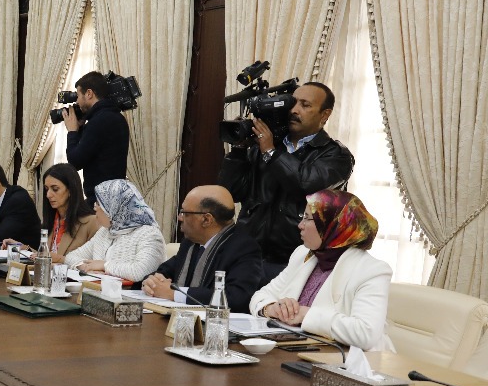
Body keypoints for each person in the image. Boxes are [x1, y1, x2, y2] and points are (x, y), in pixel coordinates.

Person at [220, 81, 355, 280]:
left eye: (305, 105)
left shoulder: (336, 156)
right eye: (293, 103)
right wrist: (239, 150)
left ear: (325, 115)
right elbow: (231, 193)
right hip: (249, 255)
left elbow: (305, 184)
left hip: (297, 260)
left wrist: (271, 152)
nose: (294, 110)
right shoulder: (265, 145)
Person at [249, 190, 393, 351]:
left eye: (307, 218)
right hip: (295, 351)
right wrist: (272, 308)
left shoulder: (372, 270)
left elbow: (365, 334)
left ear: (333, 225)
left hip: (346, 360)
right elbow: (260, 295)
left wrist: (306, 315)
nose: (300, 225)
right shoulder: (303, 254)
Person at [141, 185, 265, 314]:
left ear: (206, 219)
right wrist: (152, 282)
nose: (180, 217)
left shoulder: (243, 248)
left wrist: (174, 294)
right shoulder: (190, 242)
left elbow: (236, 297)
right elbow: (164, 271)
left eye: (184, 213)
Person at [62, 178, 165, 282]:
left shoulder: (150, 234)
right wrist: (87, 267)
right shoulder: (105, 232)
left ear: (115, 207)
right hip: (98, 289)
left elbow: (140, 272)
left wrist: (104, 266)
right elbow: (70, 257)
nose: (95, 208)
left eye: (99, 204)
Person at [3, 163, 98, 262]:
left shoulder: (91, 223)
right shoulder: (51, 221)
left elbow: (93, 264)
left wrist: (60, 259)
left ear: (71, 190)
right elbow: (48, 257)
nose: (48, 195)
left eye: (55, 189)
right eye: (46, 189)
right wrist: (24, 249)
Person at [64, 71, 130, 205]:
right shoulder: (117, 117)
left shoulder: (98, 121)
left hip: (100, 201)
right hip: (115, 197)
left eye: (78, 95)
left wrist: (72, 132)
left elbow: (75, 161)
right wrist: (81, 128)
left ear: (89, 93)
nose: (77, 101)